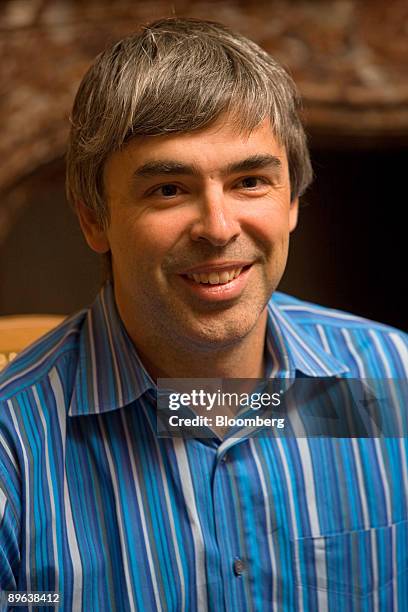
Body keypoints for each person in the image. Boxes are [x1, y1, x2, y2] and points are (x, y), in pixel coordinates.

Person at [0, 17, 407, 612]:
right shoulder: (13, 449)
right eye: (168, 188)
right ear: (93, 218)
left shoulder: (393, 383)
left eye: (250, 181)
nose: (218, 228)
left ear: (292, 199)